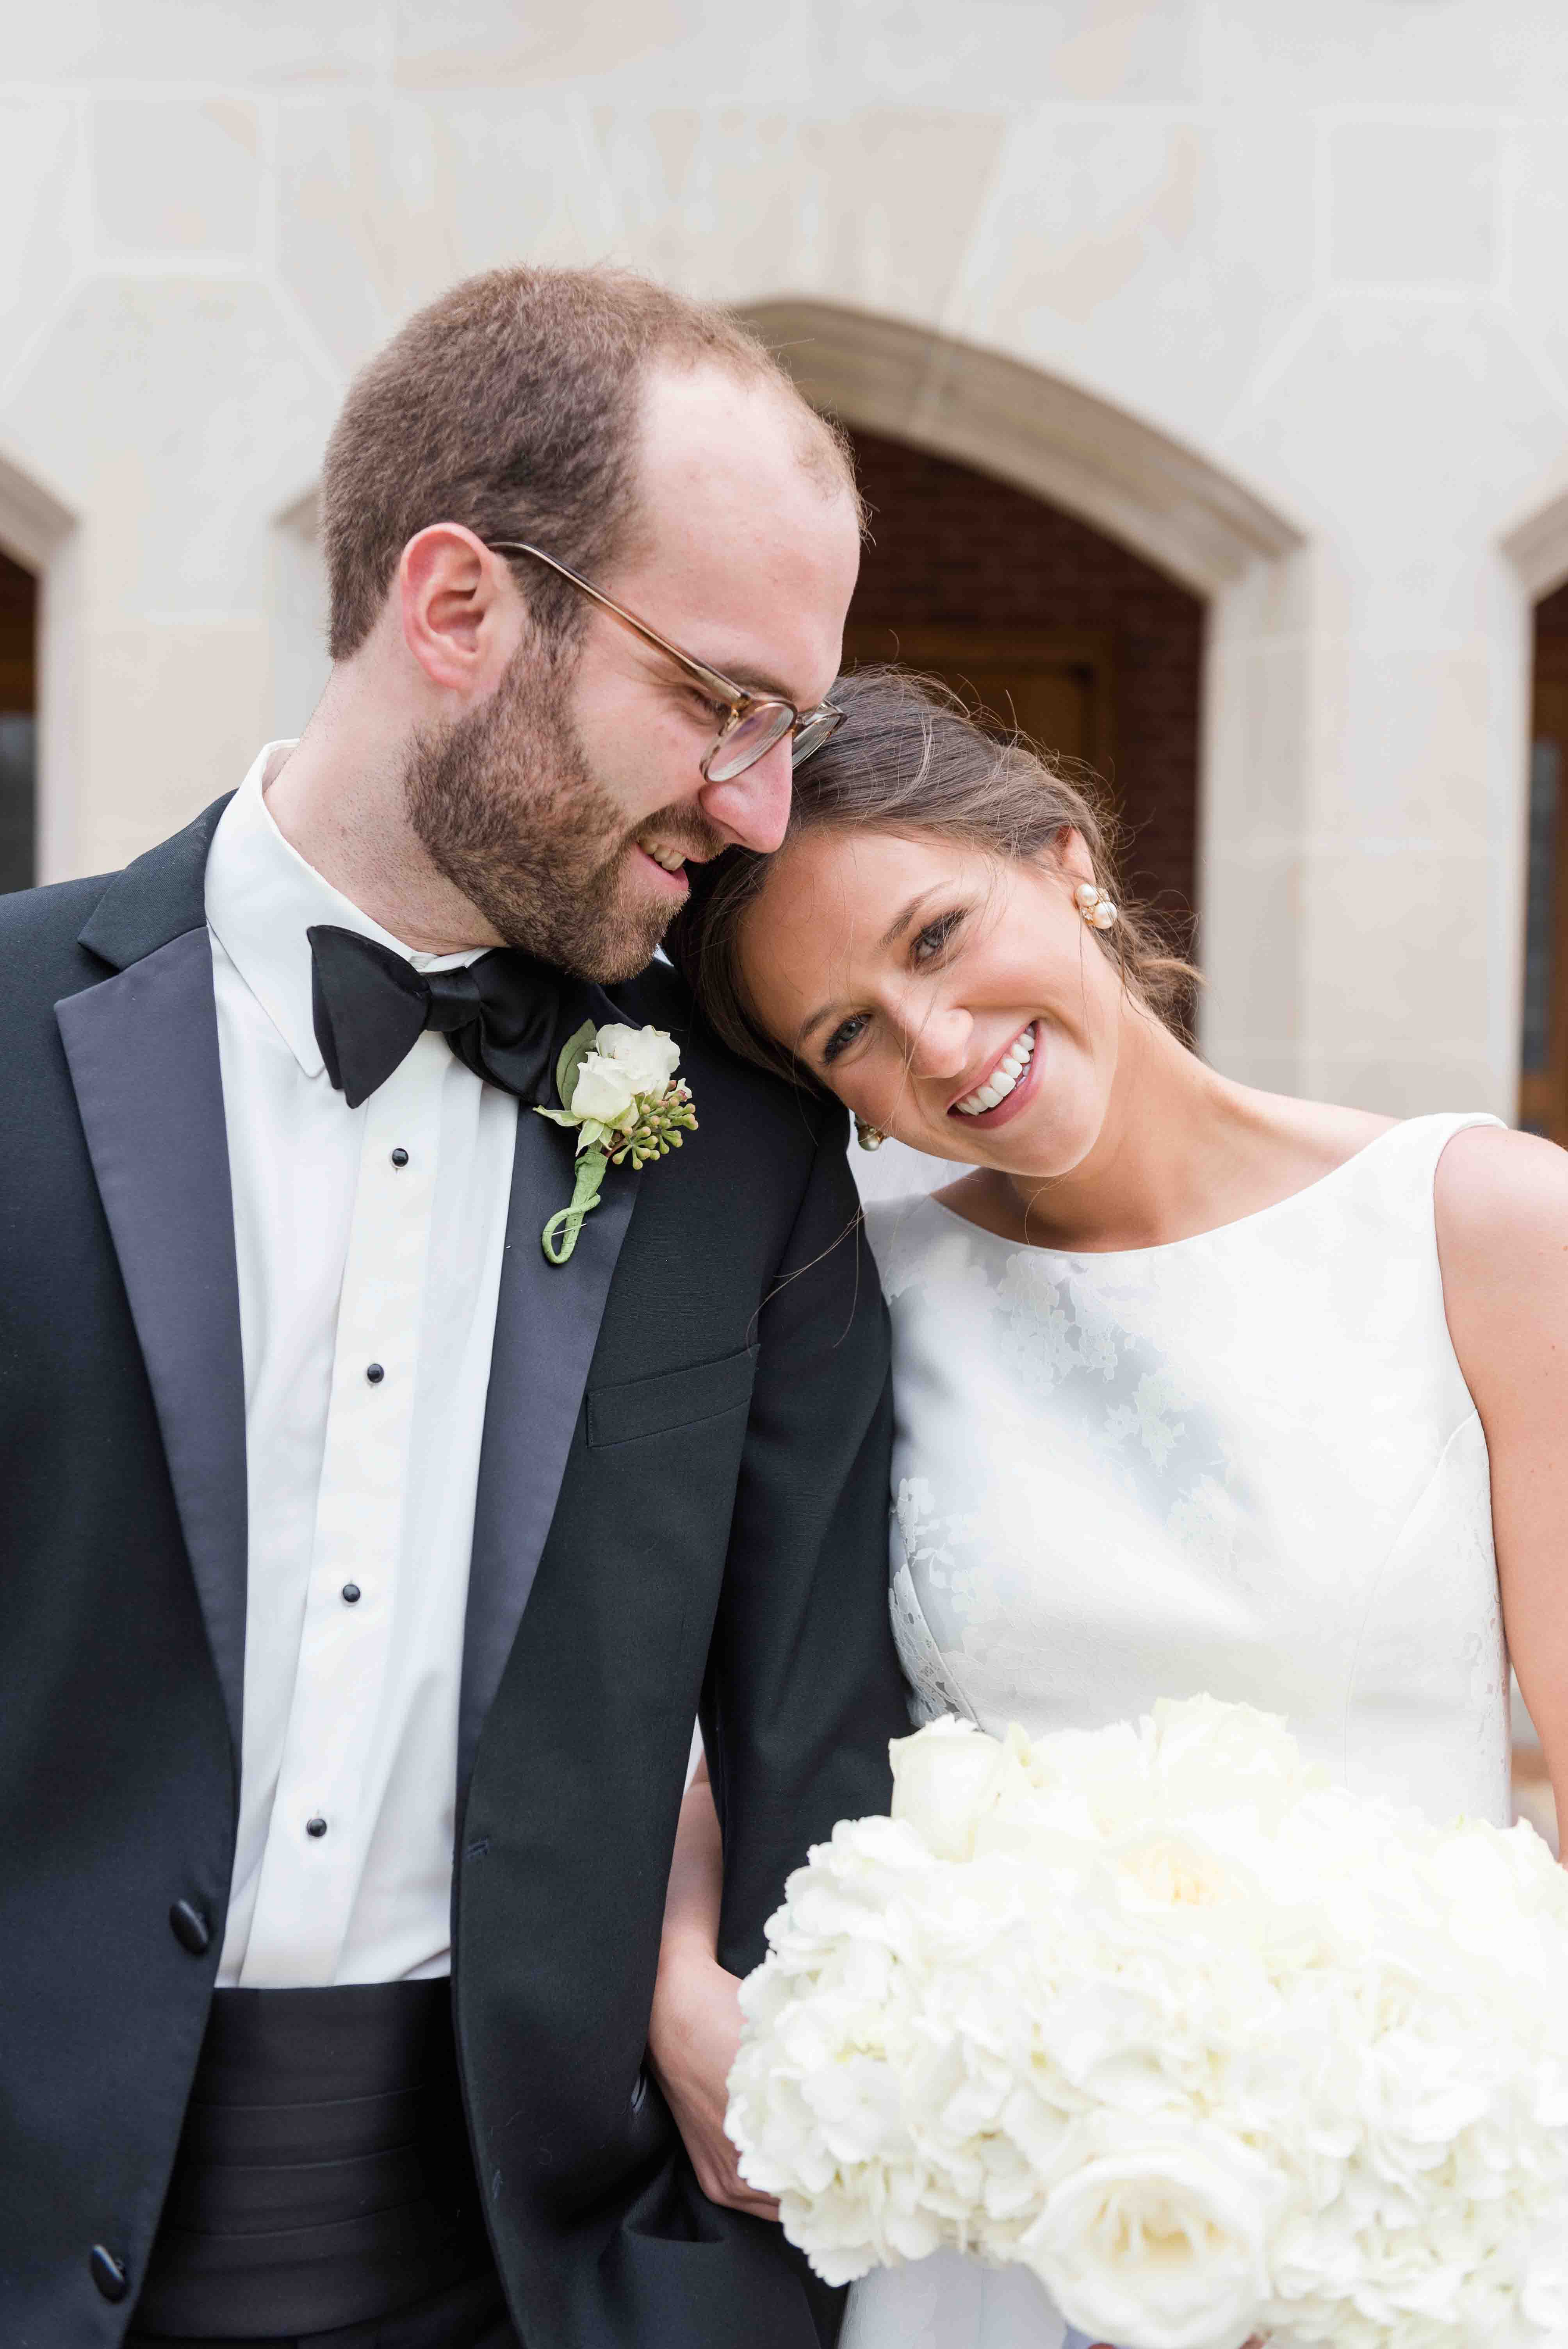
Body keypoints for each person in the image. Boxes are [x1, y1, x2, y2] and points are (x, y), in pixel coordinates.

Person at [0, 266, 910, 2349]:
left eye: (795, 729)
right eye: (719, 701)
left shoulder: (754, 1154)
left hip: (537, 2280)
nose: (759, 808)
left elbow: (819, 1765)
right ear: (458, 607)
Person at [653, 665, 1568, 2349]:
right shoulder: (865, 1296)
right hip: (987, 2244)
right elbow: (729, 1710)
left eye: (933, 936)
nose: (934, 1043)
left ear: (1064, 861)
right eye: (846, 1031)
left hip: (1391, 2222)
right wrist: (673, 1980)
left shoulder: (1487, 1230)